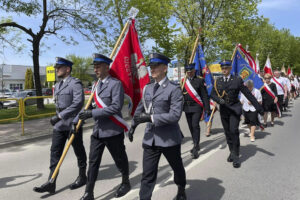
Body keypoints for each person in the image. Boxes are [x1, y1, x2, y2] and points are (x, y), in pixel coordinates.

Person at [128, 53, 187, 200]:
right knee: (147, 175)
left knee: (177, 168)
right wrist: (133, 125)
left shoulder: (174, 89)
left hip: (169, 139)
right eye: (151, 66)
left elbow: (175, 115)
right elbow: (141, 108)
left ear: (165, 68)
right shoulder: (148, 88)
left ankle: (181, 188)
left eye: (155, 66)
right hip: (151, 139)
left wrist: (150, 118)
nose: (152, 69)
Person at [78, 54, 131, 200]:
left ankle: (126, 182)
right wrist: (79, 119)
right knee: (93, 162)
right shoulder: (96, 85)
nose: (95, 69)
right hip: (98, 131)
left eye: (98, 66)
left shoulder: (116, 84)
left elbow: (115, 107)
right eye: (94, 67)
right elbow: (90, 106)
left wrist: (92, 113)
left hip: (113, 130)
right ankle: (89, 192)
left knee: (119, 159)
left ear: (107, 67)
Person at [33, 57, 87, 194]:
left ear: (67, 69)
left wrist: (61, 117)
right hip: (59, 126)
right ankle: (51, 182)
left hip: (72, 123)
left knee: (79, 151)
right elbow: (59, 105)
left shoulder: (75, 83)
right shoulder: (57, 85)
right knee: (55, 153)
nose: (56, 69)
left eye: (59, 67)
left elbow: (78, 103)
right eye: (56, 67)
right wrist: (59, 117)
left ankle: (82, 176)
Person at [211, 60, 264, 168]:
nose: (224, 70)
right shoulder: (218, 81)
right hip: (224, 110)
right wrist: (218, 100)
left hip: (234, 109)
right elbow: (212, 94)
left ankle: (236, 156)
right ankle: (231, 151)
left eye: (226, 68)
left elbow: (248, 94)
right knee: (227, 132)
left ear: (230, 68)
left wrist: (259, 108)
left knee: (234, 131)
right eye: (223, 68)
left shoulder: (237, 80)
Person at [181, 63, 210, 159]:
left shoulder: (200, 80)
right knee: (190, 127)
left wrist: (207, 108)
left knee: (195, 125)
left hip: (197, 106)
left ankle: (196, 147)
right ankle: (195, 143)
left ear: (194, 71)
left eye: (191, 71)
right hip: (187, 107)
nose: (189, 73)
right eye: (188, 72)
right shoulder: (183, 81)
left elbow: (204, 95)